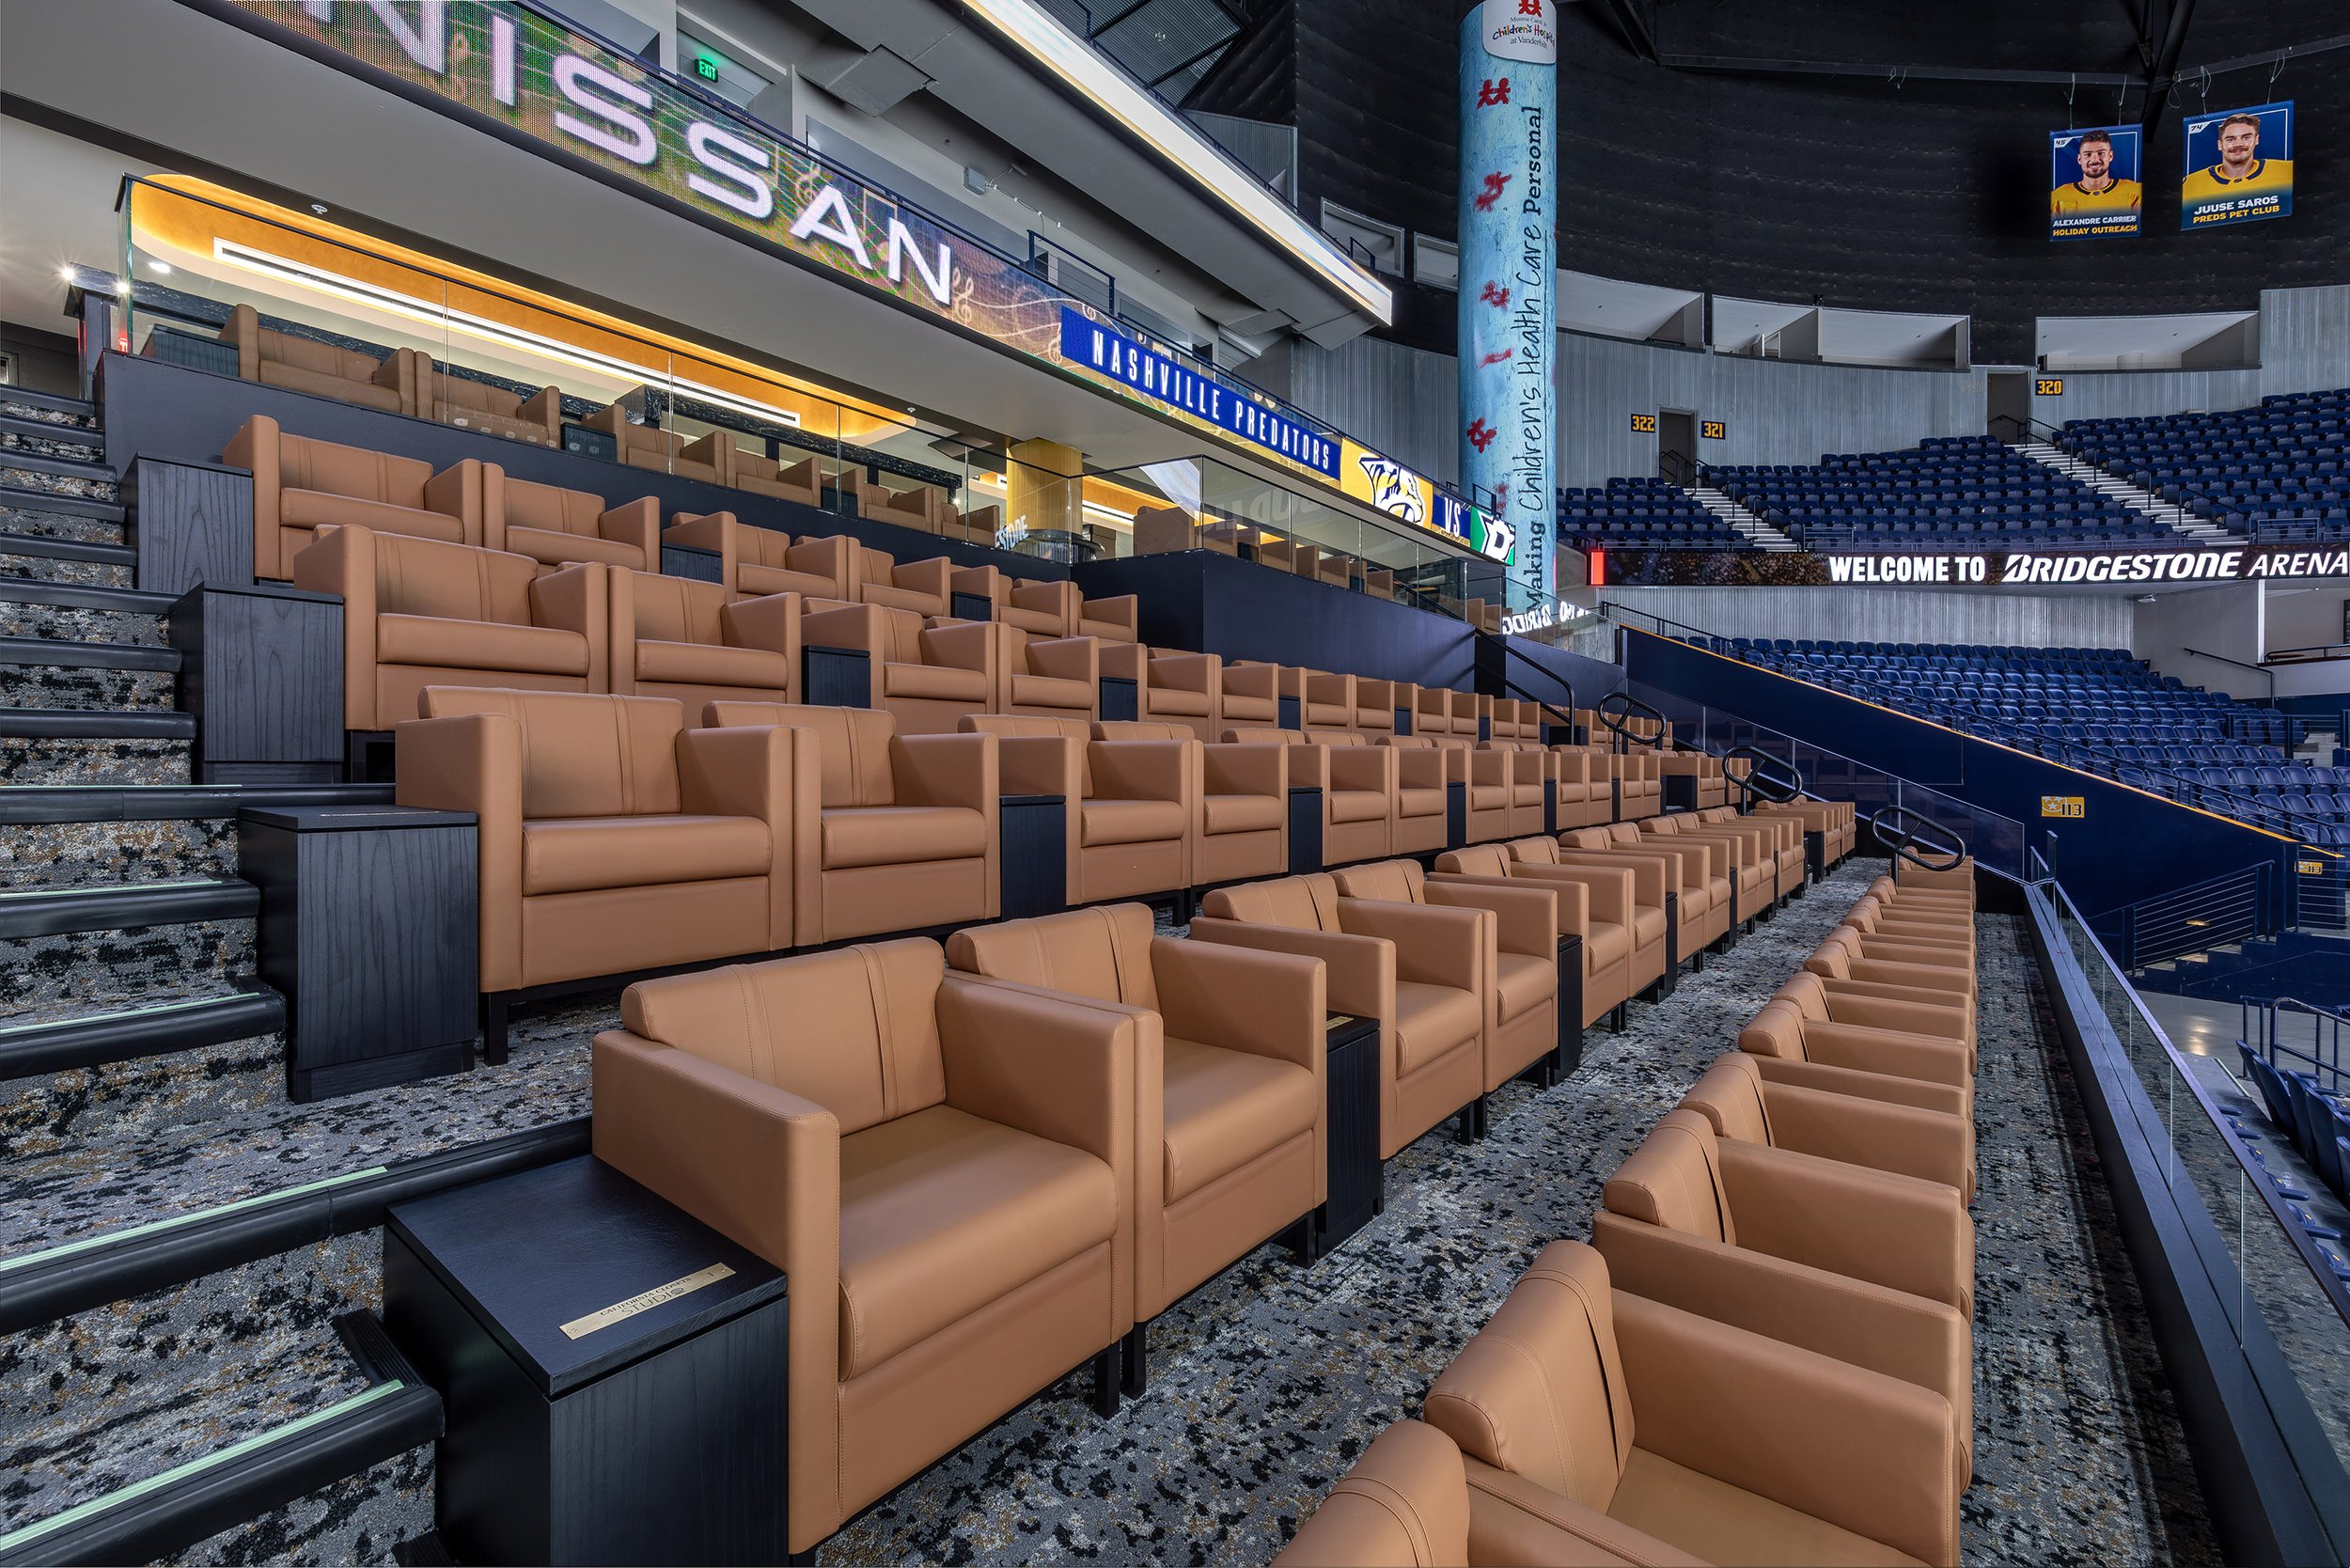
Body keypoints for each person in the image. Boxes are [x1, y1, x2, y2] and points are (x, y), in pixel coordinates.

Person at [2183, 112, 2293, 203]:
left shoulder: (2287, 170)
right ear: (2220, 145)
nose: (2238, 144)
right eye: (2230, 139)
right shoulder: (2190, 184)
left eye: (2246, 138)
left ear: (2257, 140)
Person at [2050, 130, 2142, 221]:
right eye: (2088, 154)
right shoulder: (2059, 196)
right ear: (2079, 159)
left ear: (2110, 156)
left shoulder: (2134, 192)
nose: (2094, 159)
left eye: (2101, 153)